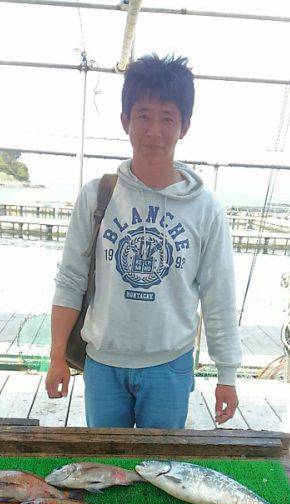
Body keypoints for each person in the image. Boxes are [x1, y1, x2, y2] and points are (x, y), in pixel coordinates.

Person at [46, 54, 242, 428]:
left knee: (161, 462)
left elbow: (219, 295)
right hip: (103, 364)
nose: (154, 130)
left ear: (184, 126)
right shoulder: (97, 195)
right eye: (143, 115)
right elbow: (70, 279)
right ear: (126, 121)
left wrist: (227, 374)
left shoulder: (206, 208)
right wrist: (57, 356)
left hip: (170, 366)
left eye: (167, 118)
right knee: (106, 462)